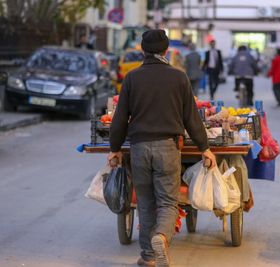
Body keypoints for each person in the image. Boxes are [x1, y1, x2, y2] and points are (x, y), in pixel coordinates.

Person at [108, 29, 217, 267]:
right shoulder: (179, 77)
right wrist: (204, 148)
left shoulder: (132, 78)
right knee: (168, 202)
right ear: (166, 50)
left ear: (142, 50)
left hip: (139, 147)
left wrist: (114, 148)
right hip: (167, 146)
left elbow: (119, 118)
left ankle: (148, 257)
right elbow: (191, 118)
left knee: (145, 203)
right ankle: (161, 237)